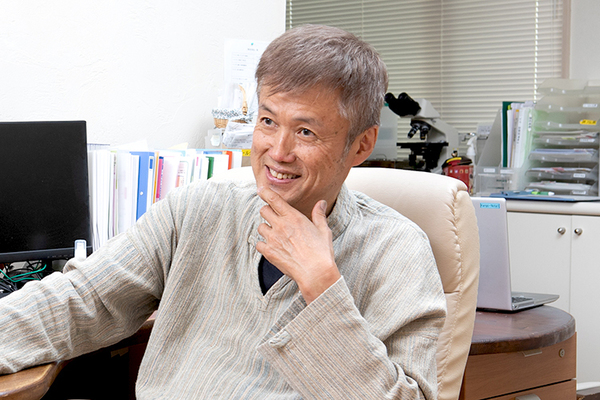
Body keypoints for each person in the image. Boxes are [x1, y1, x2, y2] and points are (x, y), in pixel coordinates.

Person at [0, 25, 446, 399]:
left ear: (362, 145)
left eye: (305, 132)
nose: (278, 151)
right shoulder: (197, 209)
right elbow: (83, 299)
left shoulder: (398, 251)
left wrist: (322, 287)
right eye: (268, 121)